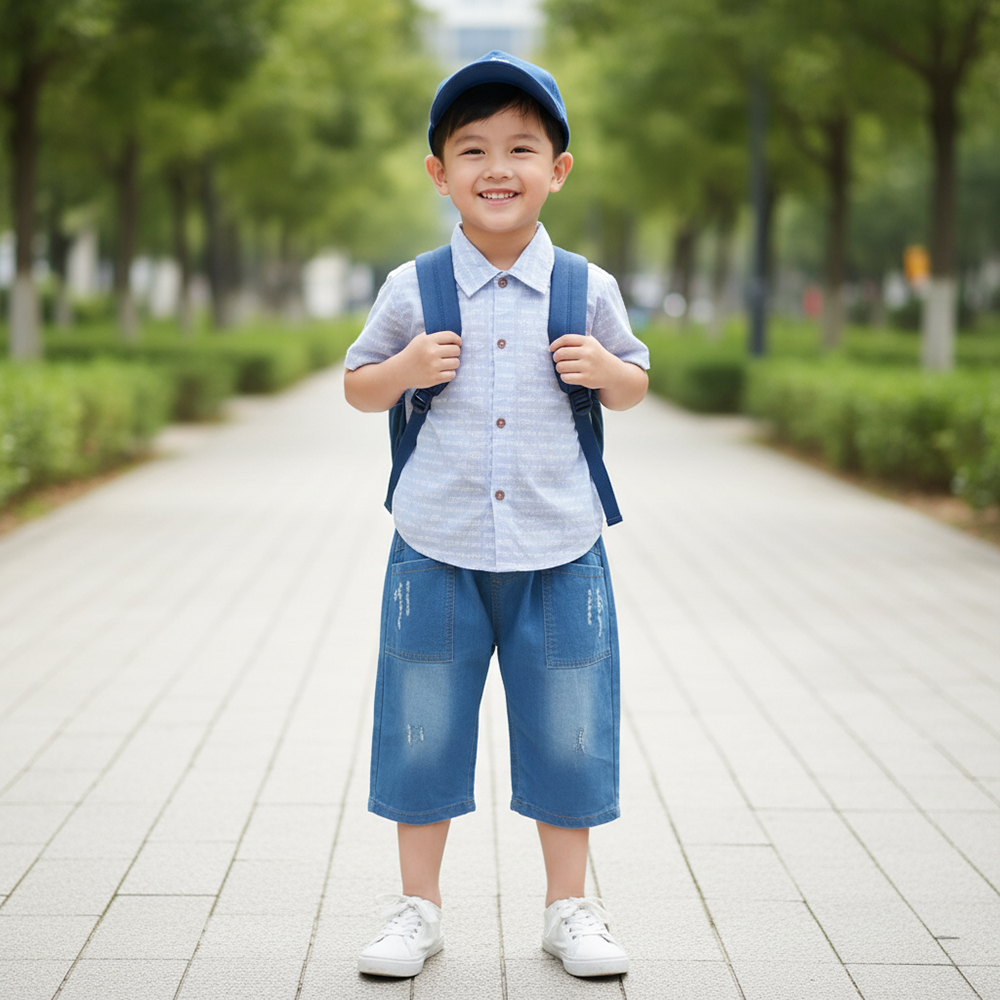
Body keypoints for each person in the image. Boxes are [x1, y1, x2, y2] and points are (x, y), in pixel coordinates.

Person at [343, 50, 649, 980]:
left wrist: (607, 374)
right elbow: (358, 386)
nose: (497, 167)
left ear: (558, 168)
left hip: (561, 547)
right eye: (472, 150)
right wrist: (405, 372)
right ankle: (417, 910)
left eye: (522, 147)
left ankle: (570, 908)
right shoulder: (413, 287)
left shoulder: (584, 287)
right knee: (421, 722)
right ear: (440, 174)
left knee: (571, 724)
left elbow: (635, 379)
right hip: (434, 545)